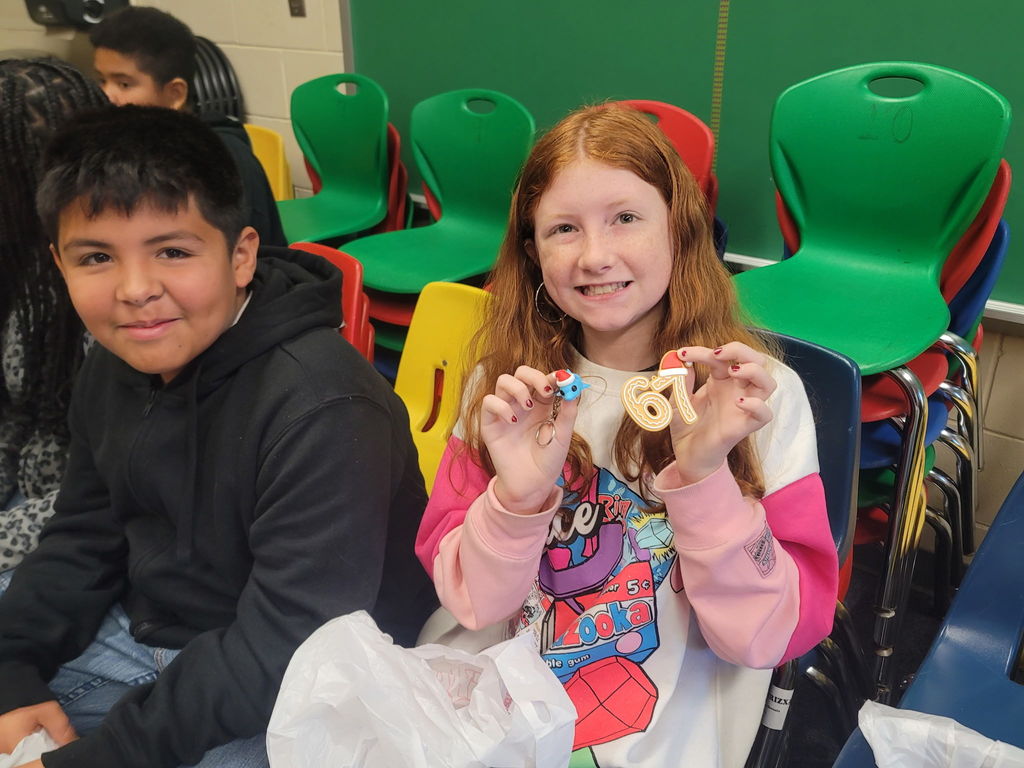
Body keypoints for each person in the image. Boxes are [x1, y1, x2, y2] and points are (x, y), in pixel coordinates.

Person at [0, 105, 435, 768]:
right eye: (96, 257)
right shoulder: (115, 361)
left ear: (240, 256)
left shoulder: (324, 404)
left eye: (173, 251)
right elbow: (84, 538)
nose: (136, 290)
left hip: (309, 681)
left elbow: (286, 645)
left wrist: (100, 758)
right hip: (154, 635)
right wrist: (14, 670)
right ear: (60, 263)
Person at [414, 105, 838, 767]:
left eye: (626, 218)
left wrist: (705, 479)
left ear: (680, 228)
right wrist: (517, 501)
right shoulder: (504, 395)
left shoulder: (760, 401)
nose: (594, 256)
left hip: (666, 733)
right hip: (500, 715)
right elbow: (475, 606)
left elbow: (766, 638)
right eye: (562, 229)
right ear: (532, 252)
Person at [0, 58, 108, 572]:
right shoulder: (25, 270)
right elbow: (16, 415)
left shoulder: (112, 300)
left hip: (86, 528)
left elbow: (115, 493)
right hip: (34, 498)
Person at [89, 5, 288, 248]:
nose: (106, 95)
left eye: (124, 84)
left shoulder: (223, 158)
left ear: (175, 93)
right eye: (101, 80)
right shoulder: (129, 146)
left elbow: (255, 263)